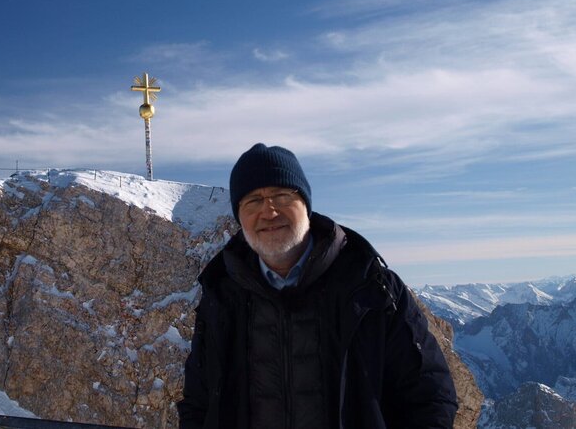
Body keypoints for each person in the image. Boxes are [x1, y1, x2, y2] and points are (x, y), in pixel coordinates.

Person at [177, 143, 458, 428]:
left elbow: (431, 395)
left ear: (306, 207)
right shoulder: (221, 295)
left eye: (282, 196)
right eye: (253, 201)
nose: (269, 211)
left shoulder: (369, 285)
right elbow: (198, 403)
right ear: (240, 218)